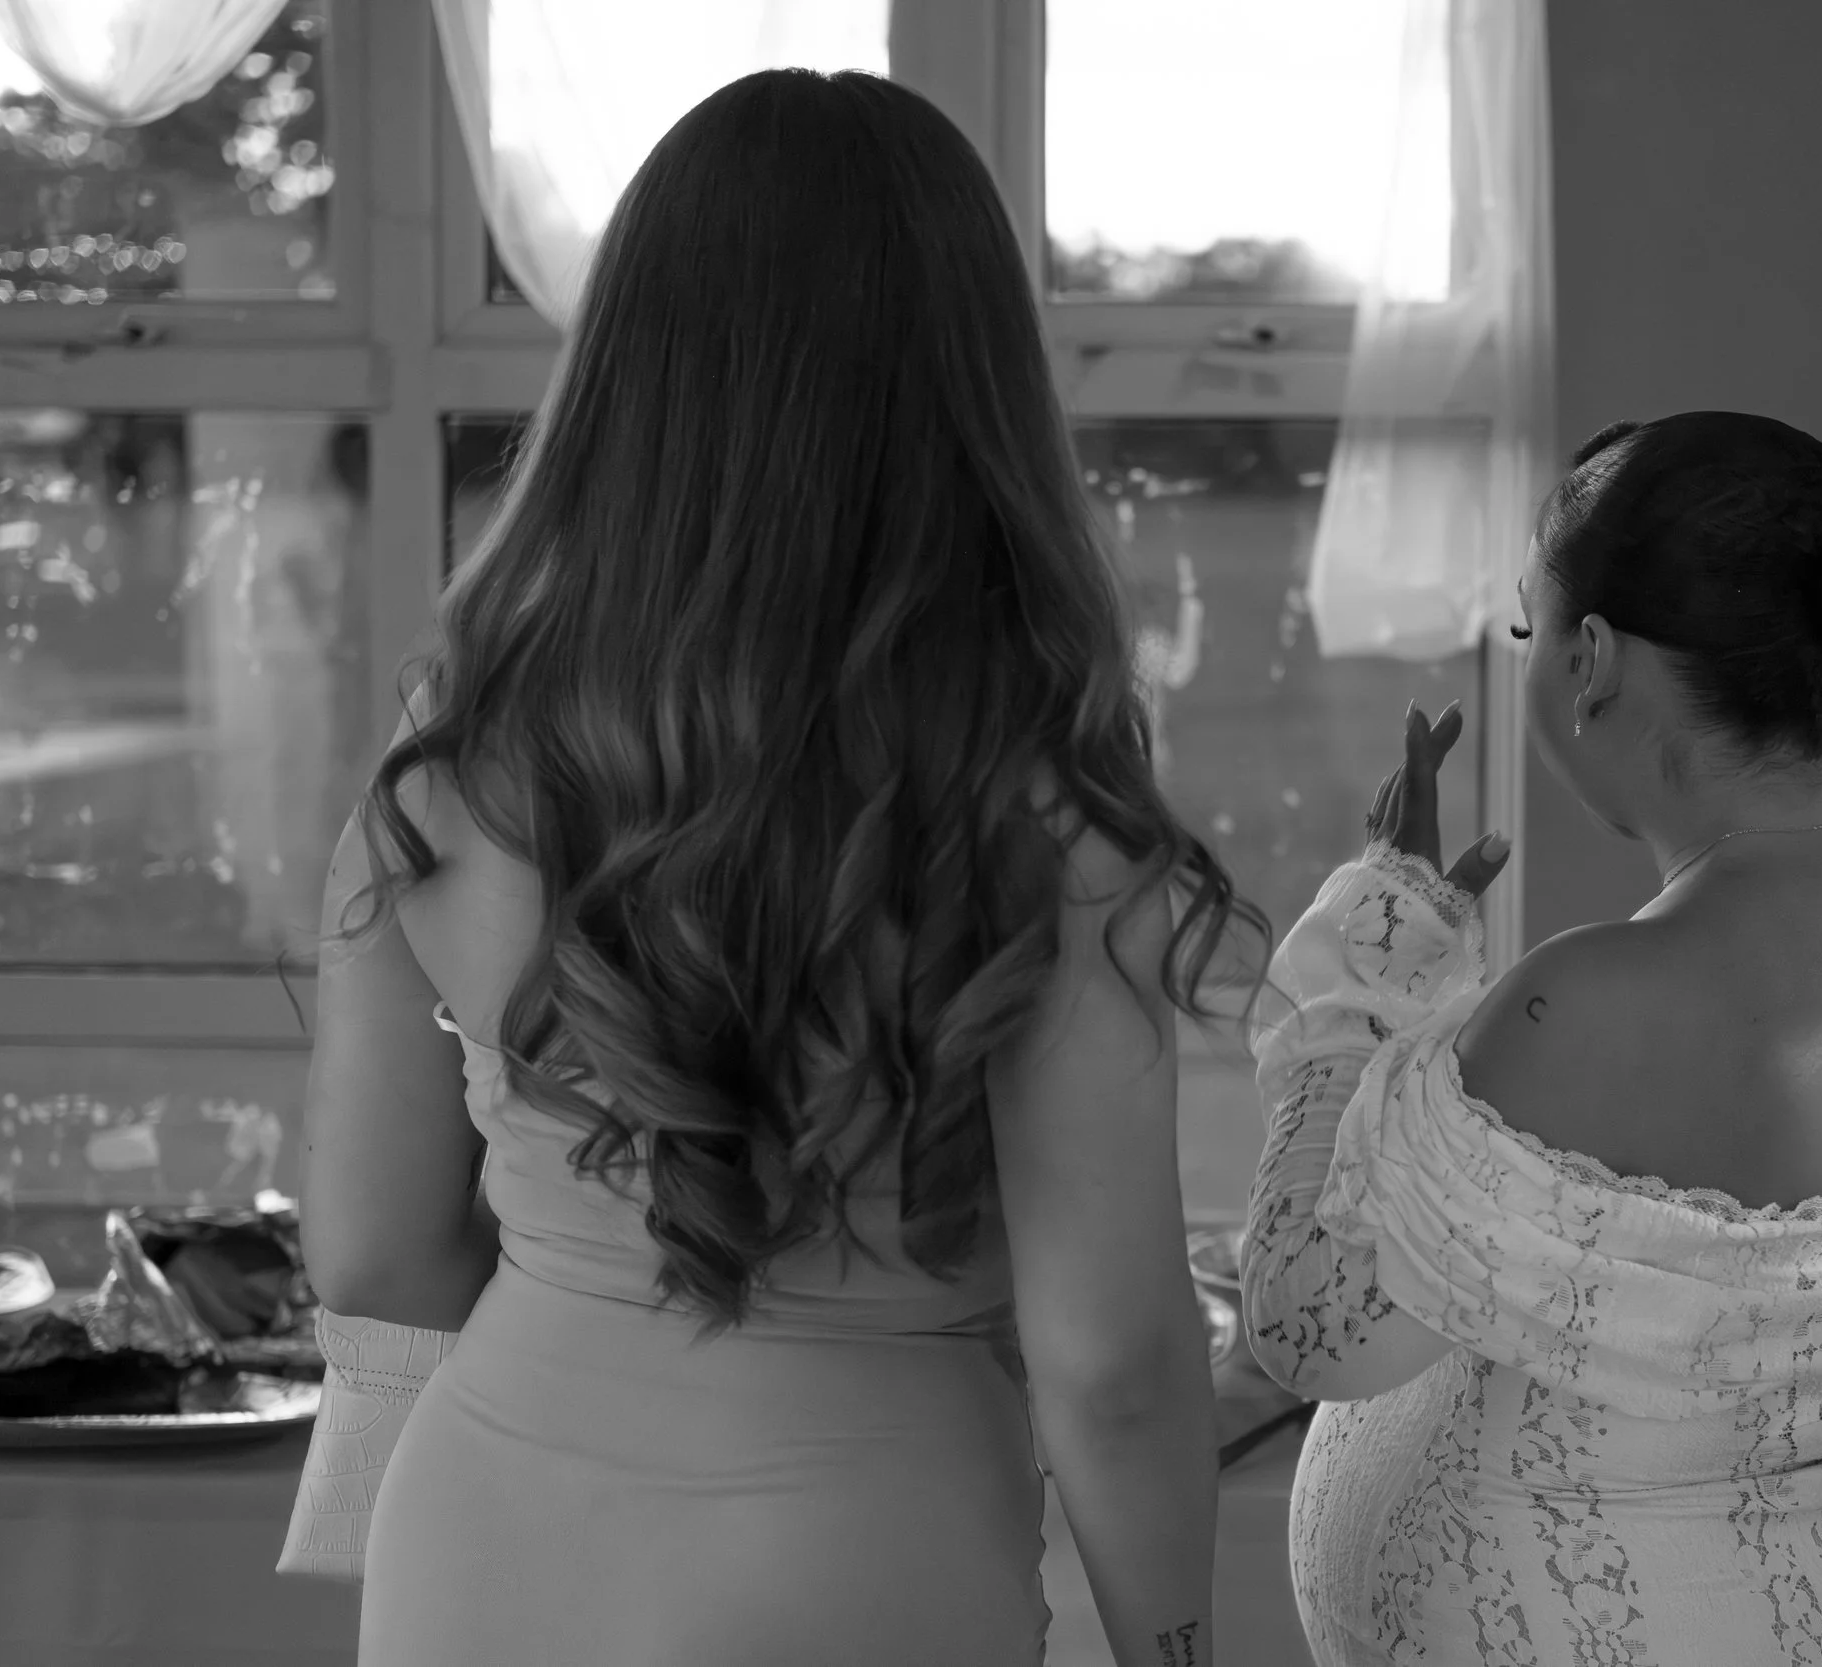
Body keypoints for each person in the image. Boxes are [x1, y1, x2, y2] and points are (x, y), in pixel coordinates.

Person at [296, 69, 1264, 1667]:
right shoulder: (1033, 809)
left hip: (479, 1535)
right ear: (973, 388)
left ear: (624, 371)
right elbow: (1112, 1361)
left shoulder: (458, 749)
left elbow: (377, 1254)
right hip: (859, 1550)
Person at [1242, 411, 1822, 1665]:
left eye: (1528, 627)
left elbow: (1311, 1327)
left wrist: (1366, 963)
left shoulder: (1577, 1009)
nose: (1531, 660)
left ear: (1593, 657)